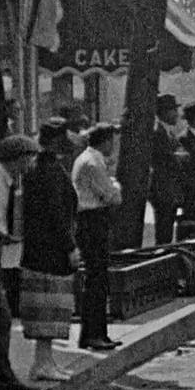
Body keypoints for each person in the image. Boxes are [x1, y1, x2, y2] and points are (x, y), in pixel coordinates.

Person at [20, 120, 80, 381]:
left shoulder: (37, 167)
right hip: (50, 251)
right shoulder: (50, 170)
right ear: (56, 140)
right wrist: (70, 246)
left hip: (38, 249)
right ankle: (43, 363)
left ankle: (45, 360)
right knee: (49, 307)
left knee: (46, 308)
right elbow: (57, 214)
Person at [0, 134, 40, 390]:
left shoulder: (7, 181)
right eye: (27, 159)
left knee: (1, 315)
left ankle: (4, 373)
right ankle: (4, 374)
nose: (30, 164)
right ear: (16, 159)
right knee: (0, 313)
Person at [72, 123, 123, 352]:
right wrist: (115, 184)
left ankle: (95, 333)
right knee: (97, 279)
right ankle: (94, 334)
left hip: (91, 220)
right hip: (93, 221)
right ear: (105, 141)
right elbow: (113, 196)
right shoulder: (93, 163)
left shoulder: (89, 159)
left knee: (96, 278)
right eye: (112, 140)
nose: (113, 145)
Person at [150, 93, 185, 244]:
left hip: (169, 190)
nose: (176, 114)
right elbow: (162, 159)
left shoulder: (168, 132)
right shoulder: (158, 132)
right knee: (164, 233)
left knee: (167, 231)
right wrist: (177, 157)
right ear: (164, 112)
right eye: (173, 110)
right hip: (162, 190)